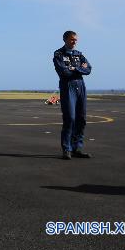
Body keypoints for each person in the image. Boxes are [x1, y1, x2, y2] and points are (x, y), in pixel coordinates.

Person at [53, 31, 92, 160]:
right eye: (72, 39)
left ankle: (77, 148)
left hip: (80, 86)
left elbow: (89, 69)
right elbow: (64, 72)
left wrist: (75, 69)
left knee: (81, 118)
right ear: (65, 39)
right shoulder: (58, 54)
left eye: (76, 40)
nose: (74, 42)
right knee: (70, 118)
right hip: (67, 86)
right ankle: (67, 149)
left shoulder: (79, 54)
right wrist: (79, 69)